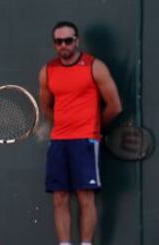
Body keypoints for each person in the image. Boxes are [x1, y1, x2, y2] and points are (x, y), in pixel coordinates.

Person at [38, 21, 122, 245]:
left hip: (85, 140)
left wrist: (92, 127)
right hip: (58, 141)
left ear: (77, 41)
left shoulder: (95, 66)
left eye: (68, 40)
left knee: (86, 196)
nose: (63, 45)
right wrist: (62, 123)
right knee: (59, 197)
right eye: (58, 41)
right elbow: (45, 105)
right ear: (54, 44)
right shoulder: (48, 70)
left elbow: (114, 106)